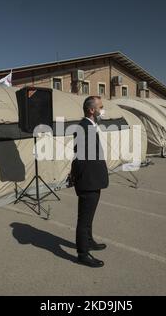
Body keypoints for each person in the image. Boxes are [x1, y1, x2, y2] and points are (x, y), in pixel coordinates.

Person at [70, 96, 109, 268]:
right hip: (88, 182)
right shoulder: (83, 128)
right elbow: (80, 158)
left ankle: (89, 240)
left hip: (94, 179)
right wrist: (82, 181)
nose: (103, 109)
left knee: (89, 216)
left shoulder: (91, 126)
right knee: (84, 219)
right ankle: (83, 253)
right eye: (101, 107)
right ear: (92, 110)